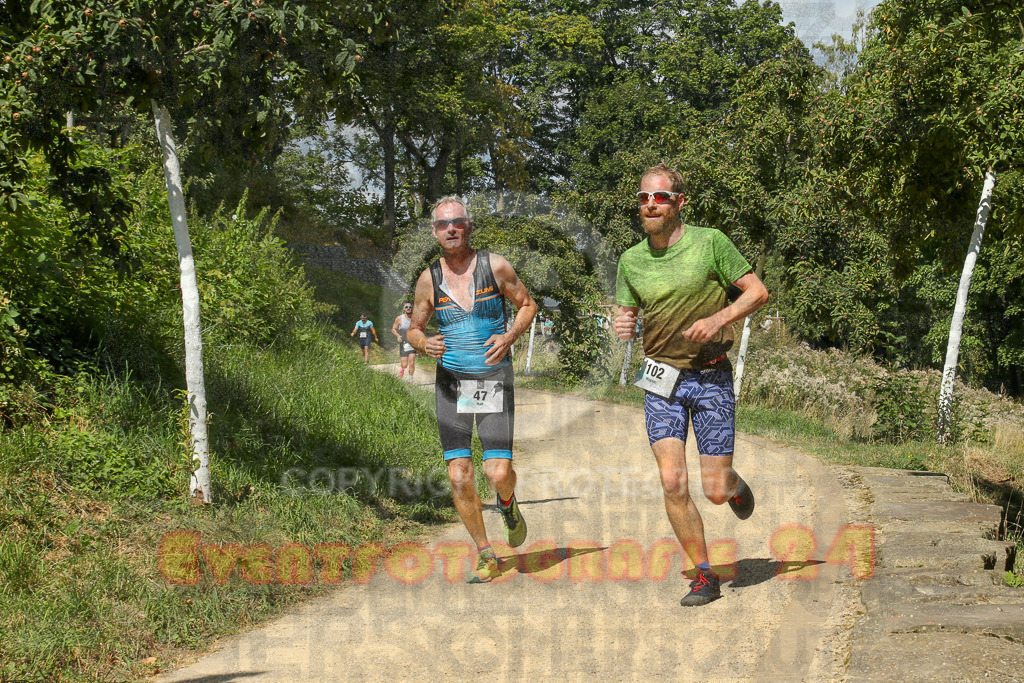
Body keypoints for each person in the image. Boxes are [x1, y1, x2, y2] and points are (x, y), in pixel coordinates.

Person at [613, 163, 769, 607]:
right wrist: (621, 323)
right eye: (644, 198)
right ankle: (705, 574)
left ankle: (734, 486)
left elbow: (757, 291)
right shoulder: (631, 260)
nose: (650, 205)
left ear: (679, 203)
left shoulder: (711, 243)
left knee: (714, 490)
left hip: (711, 376)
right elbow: (625, 314)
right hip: (660, 377)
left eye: (659, 198)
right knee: (672, 481)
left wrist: (718, 318)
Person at [407, 195, 539, 583]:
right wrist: (422, 343)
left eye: (457, 222)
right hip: (451, 384)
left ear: (468, 226)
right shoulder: (428, 279)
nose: (451, 229)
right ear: (434, 232)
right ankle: (485, 553)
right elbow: (415, 326)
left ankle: (507, 502)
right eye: (443, 224)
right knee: (459, 475)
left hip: (493, 378)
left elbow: (527, 305)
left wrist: (510, 335)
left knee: (497, 473)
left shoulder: (494, 265)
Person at [391, 302, 418, 381]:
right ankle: (402, 371)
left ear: (411, 308)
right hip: (403, 343)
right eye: (406, 307)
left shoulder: (415, 318)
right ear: (404, 309)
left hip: (412, 343)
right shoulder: (399, 318)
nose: (408, 308)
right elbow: (393, 329)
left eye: (410, 307)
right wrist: (398, 336)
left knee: (412, 362)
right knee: (404, 364)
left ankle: (411, 380)